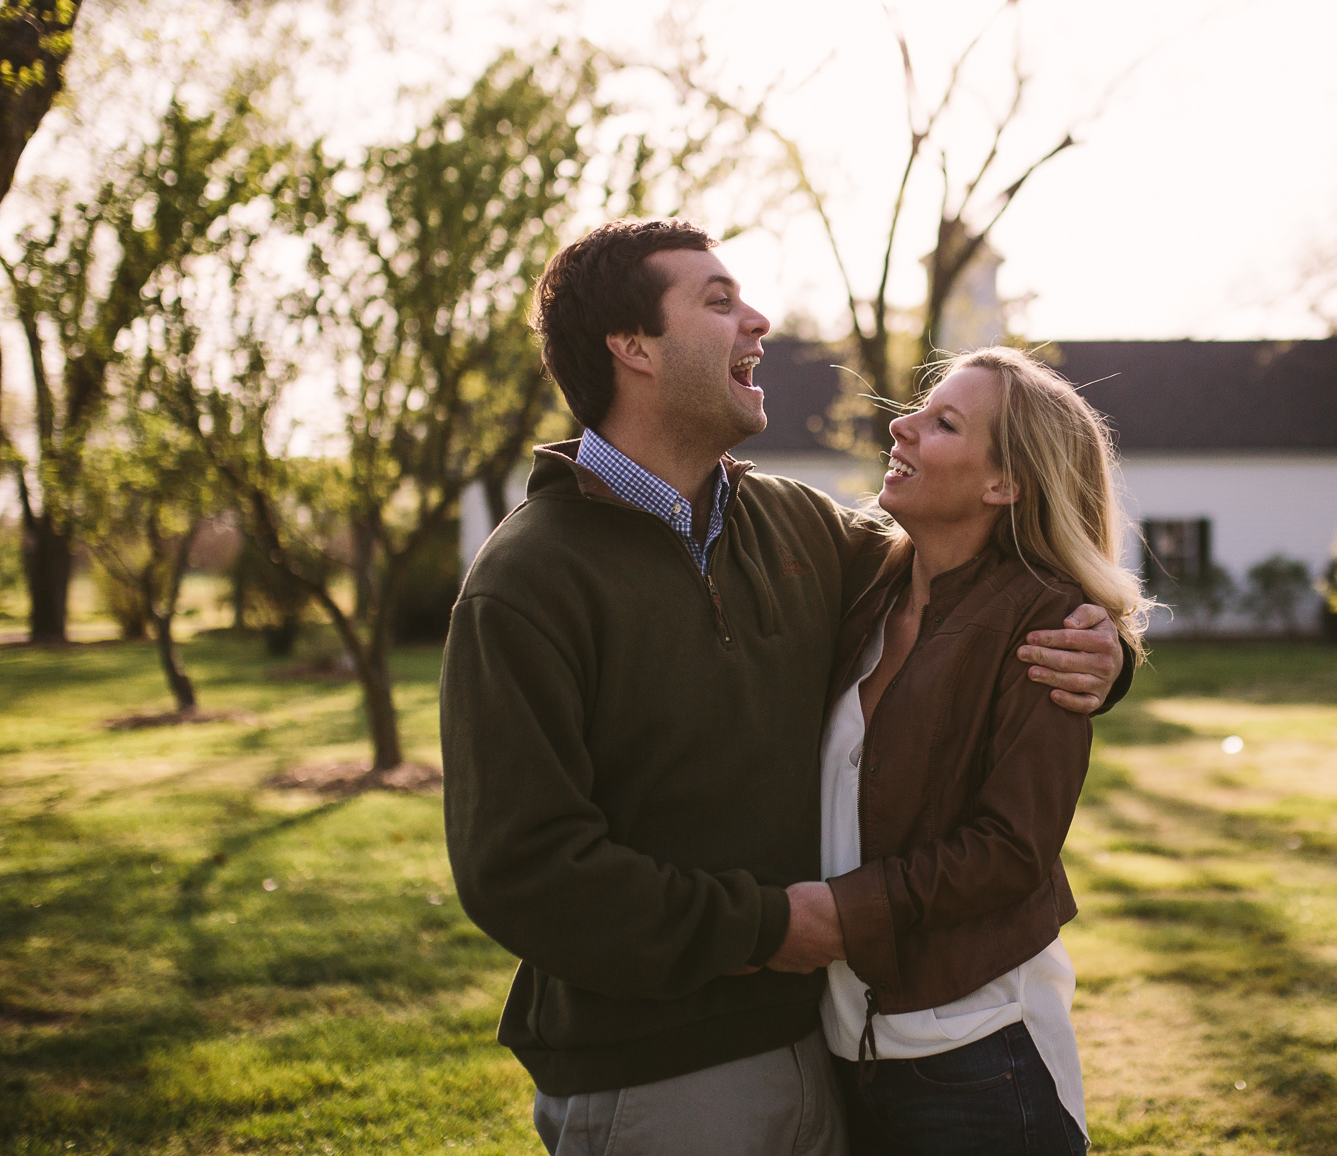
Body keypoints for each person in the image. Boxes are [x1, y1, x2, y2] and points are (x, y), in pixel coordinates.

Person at [439, 220, 1131, 1156]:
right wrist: (771, 925)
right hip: (657, 1074)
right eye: (719, 302)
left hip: (830, 1050)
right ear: (632, 347)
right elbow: (523, 872)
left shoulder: (795, 527)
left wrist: (1103, 648)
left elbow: (972, 583)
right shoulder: (527, 582)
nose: (758, 320)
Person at [783, 347, 1150, 1155]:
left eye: (943, 421)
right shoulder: (867, 589)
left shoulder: (1047, 625)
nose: (899, 424)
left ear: (1005, 484)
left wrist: (838, 915)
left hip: (982, 1059)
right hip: (853, 1052)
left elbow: (1012, 850)